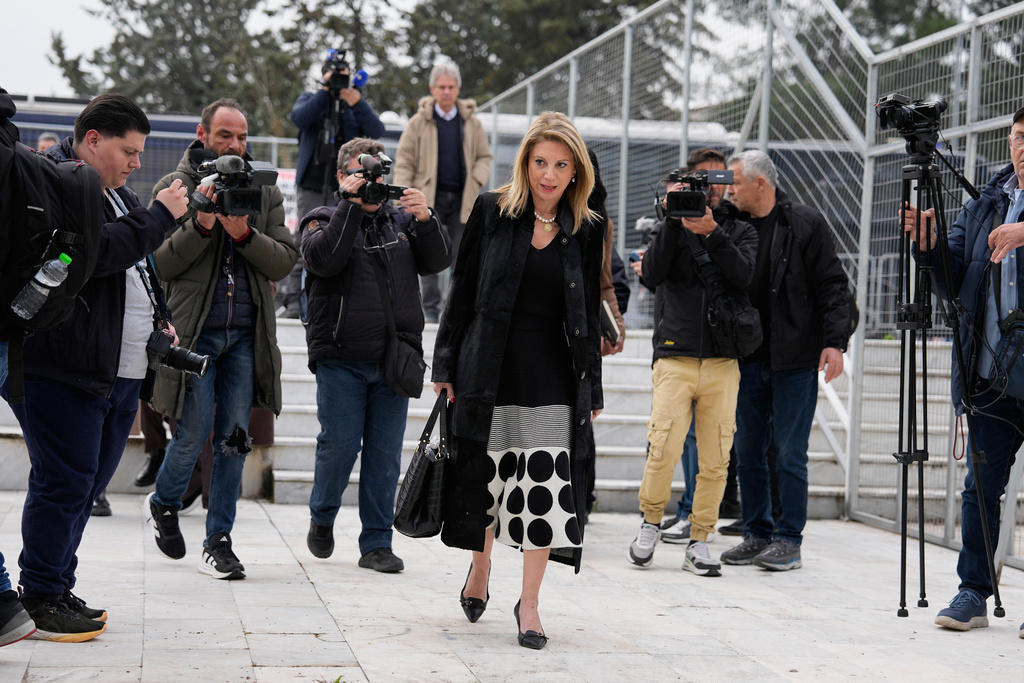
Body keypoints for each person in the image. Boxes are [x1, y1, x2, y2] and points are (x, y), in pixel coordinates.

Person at [3, 93, 188, 641]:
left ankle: (57, 584)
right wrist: (160, 218)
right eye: (127, 151)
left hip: (118, 369)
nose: (135, 163)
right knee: (63, 482)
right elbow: (95, 255)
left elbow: (140, 272)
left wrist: (163, 318)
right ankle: (37, 595)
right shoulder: (58, 181)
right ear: (92, 141)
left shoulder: (118, 195)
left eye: (139, 153)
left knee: (85, 485)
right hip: (62, 363)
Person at [432, 111, 603, 649]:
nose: (548, 175)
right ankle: (480, 570)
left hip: (551, 375)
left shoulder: (587, 228)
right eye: (539, 162)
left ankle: (529, 604)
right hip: (490, 368)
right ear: (525, 162)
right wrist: (444, 365)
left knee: (545, 491)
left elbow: (590, 312)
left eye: (560, 165)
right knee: (489, 481)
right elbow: (460, 291)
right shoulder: (492, 211)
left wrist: (590, 387)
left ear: (575, 171)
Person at [147, 98, 298, 581]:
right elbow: (160, 265)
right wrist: (203, 223)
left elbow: (283, 261)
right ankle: (165, 501)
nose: (234, 144)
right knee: (192, 434)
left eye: (241, 137)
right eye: (225, 135)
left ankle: (219, 541)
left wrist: (242, 234)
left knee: (233, 441)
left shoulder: (264, 191)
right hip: (195, 336)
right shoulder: (174, 188)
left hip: (245, 336)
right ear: (202, 133)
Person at [300, 137, 450, 571]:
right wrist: (349, 204)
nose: (371, 181)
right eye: (360, 172)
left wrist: (425, 218)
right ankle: (322, 517)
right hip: (341, 359)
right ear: (341, 176)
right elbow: (324, 260)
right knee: (339, 447)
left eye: (376, 173)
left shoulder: (400, 220)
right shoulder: (322, 218)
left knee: (384, 457)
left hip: (394, 360)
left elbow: (438, 260)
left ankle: (376, 544)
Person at [904, 104, 1024, 635]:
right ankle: (974, 590)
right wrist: (928, 248)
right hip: (992, 374)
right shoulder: (985, 205)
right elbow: (951, 283)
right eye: (1019, 136)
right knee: (979, 488)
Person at [625, 151, 757, 576]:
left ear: (722, 187)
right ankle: (650, 523)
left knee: (717, 456)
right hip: (674, 353)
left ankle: (700, 539)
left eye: (712, 183)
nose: (706, 191)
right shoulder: (671, 227)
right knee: (662, 447)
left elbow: (744, 276)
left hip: (722, 359)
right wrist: (671, 219)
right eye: (696, 184)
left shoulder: (740, 229)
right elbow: (652, 274)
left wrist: (713, 232)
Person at [719, 150, 851, 571]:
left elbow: (833, 286)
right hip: (746, 357)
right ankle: (756, 533)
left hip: (794, 359)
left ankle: (788, 539)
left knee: (790, 451)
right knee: (749, 450)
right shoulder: (728, 223)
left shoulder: (804, 223)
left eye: (735, 182)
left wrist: (835, 342)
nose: (729, 190)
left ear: (761, 183)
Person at [279, 55, 385, 317]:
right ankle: (293, 299)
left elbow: (376, 129)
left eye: (343, 76)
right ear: (324, 76)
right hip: (313, 182)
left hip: (348, 183)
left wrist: (358, 104)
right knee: (305, 235)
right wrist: (324, 93)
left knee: (346, 234)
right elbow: (299, 119)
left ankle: (340, 296)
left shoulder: (353, 104)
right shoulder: (312, 98)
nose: (339, 81)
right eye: (334, 76)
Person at [394, 62, 493, 323]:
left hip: (463, 201)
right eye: (442, 87)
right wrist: (403, 197)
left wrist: (476, 179)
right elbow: (404, 160)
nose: (447, 92)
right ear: (432, 89)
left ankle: (456, 308)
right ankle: (429, 309)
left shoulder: (472, 123)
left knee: (462, 255)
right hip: (429, 200)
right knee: (430, 253)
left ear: (458, 88)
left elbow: (485, 156)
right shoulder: (418, 122)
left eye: (451, 87)